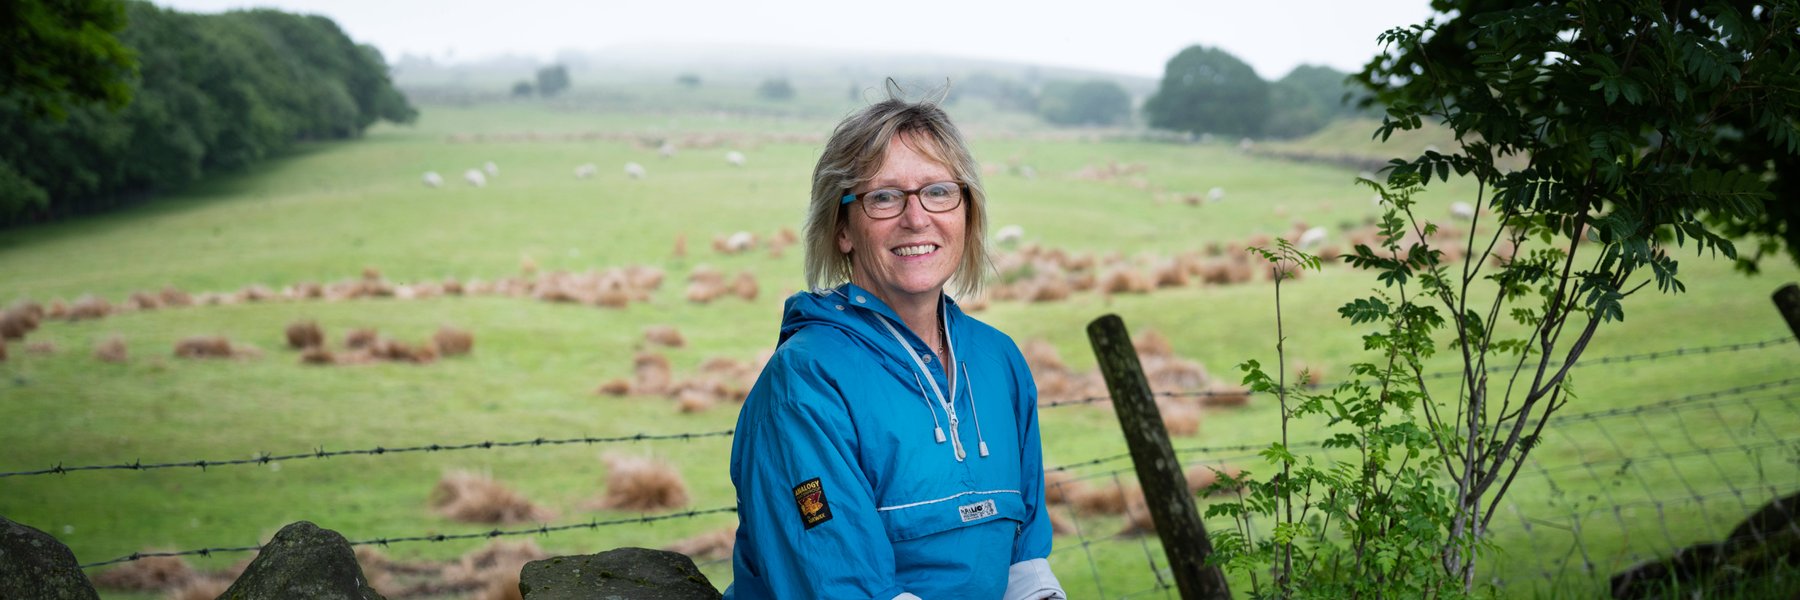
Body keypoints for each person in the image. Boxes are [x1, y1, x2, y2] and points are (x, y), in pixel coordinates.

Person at [725, 89, 1067, 600]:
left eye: (938, 191)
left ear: (966, 212)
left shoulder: (999, 360)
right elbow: (842, 587)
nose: (916, 217)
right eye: (884, 197)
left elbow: (1025, 563)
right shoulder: (805, 382)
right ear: (842, 228)